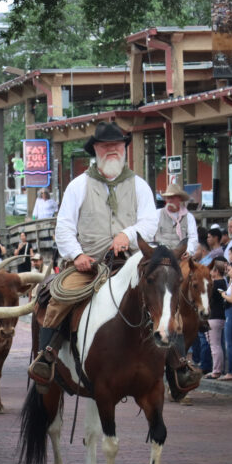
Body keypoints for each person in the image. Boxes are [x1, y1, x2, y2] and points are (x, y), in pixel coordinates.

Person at [28, 122, 165, 389]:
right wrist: (77, 255)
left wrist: (128, 233)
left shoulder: (139, 186)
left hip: (132, 261)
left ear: (125, 148)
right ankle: (46, 357)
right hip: (88, 264)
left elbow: (150, 222)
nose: (112, 149)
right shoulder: (78, 186)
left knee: (166, 293)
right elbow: (64, 227)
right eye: (106, 145)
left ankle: (178, 363)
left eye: (117, 145)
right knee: (59, 296)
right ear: (96, 150)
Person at [154, 183, 198, 258]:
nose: (170, 200)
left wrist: (188, 251)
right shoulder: (157, 214)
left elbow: (193, 237)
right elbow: (150, 234)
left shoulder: (188, 217)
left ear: (180, 198)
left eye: (173, 197)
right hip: (160, 254)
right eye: (168, 198)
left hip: (180, 256)